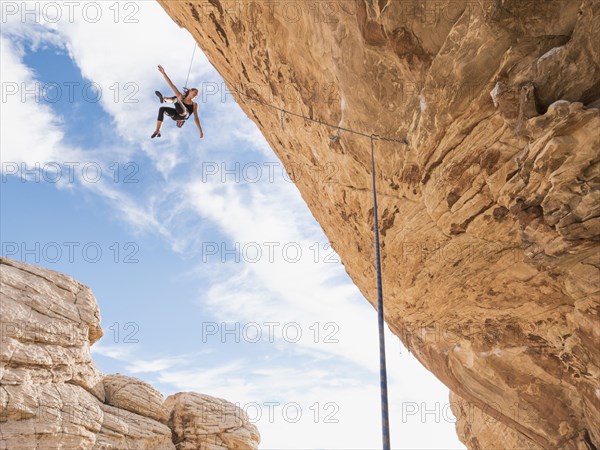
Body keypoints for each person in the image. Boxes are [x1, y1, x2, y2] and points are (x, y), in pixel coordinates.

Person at [151, 65, 204, 140]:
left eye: (196, 94)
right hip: (175, 115)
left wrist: (200, 131)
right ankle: (157, 130)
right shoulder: (181, 96)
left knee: (177, 98)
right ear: (190, 91)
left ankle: (164, 99)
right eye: (194, 91)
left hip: (184, 115)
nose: (195, 93)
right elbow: (172, 85)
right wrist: (163, 73)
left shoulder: (194, 104)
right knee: (162, 108)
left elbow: (196, 118)